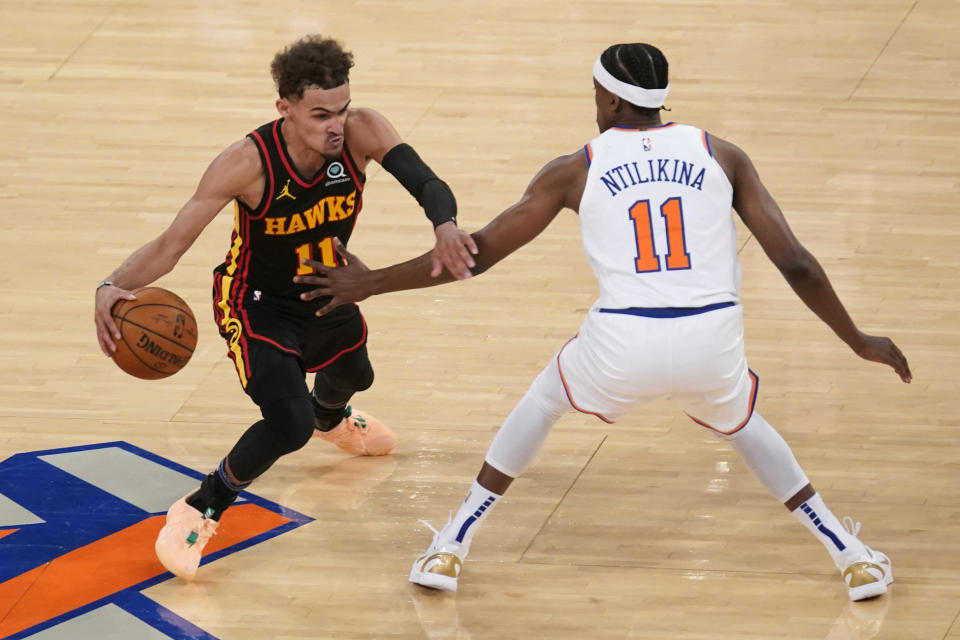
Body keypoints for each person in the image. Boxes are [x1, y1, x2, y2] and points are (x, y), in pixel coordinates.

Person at [297, 43, 913, 602]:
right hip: (712, 336)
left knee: (542, 403)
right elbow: (799, 265)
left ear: (611, 97)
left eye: (595, 93)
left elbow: (474, 257)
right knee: (743, 422)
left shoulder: (575, 168)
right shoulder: (721, 154)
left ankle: (450, 545)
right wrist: (857, 341)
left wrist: (369, 283)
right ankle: (850, 555)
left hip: (624, 340)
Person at [92, 35, 478, 581]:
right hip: (256, 305)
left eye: (341, 110)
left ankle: (332, 419)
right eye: (321, 114)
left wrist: (445, 226)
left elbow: (426, 181)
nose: (336, 126)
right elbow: (171, 244)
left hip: (329, 285)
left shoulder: (363, 130)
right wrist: (110, 285)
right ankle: (201, 506)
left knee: (356, 374)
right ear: (285, 109)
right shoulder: (245, 163)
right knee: (287, 421)